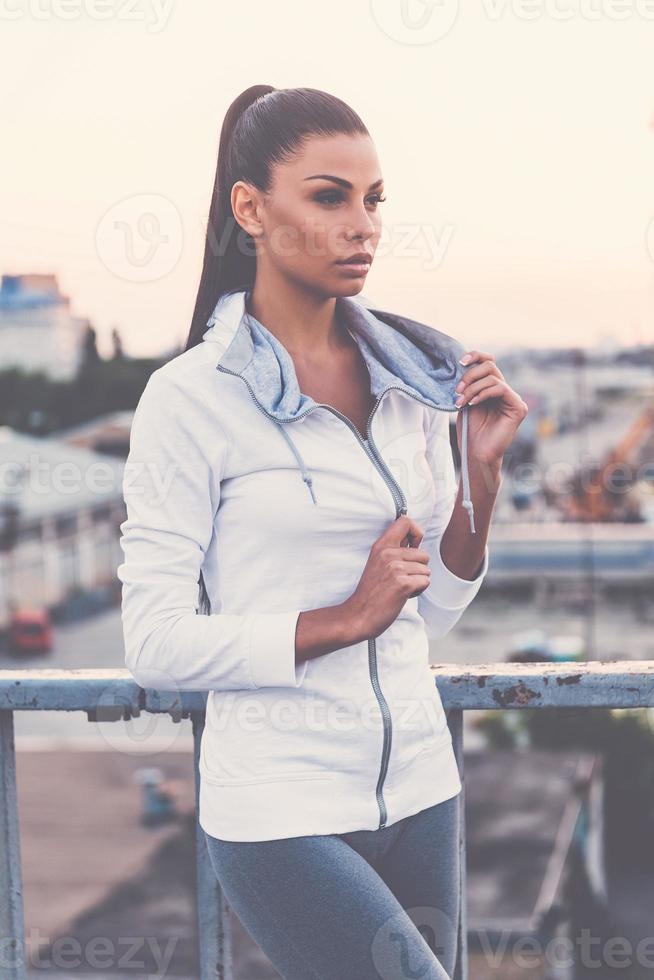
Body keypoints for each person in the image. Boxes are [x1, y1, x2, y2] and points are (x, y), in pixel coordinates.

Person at [117, 84, 528, 980]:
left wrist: (480, 477)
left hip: (423, 787)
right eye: (330, 196)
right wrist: (343, 618)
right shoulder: (190, 398)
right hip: (280, 808)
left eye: (375, 200)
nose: (363, 225)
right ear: (251, 209)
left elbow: (433, 615)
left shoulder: (411, 383)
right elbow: (154, 643)